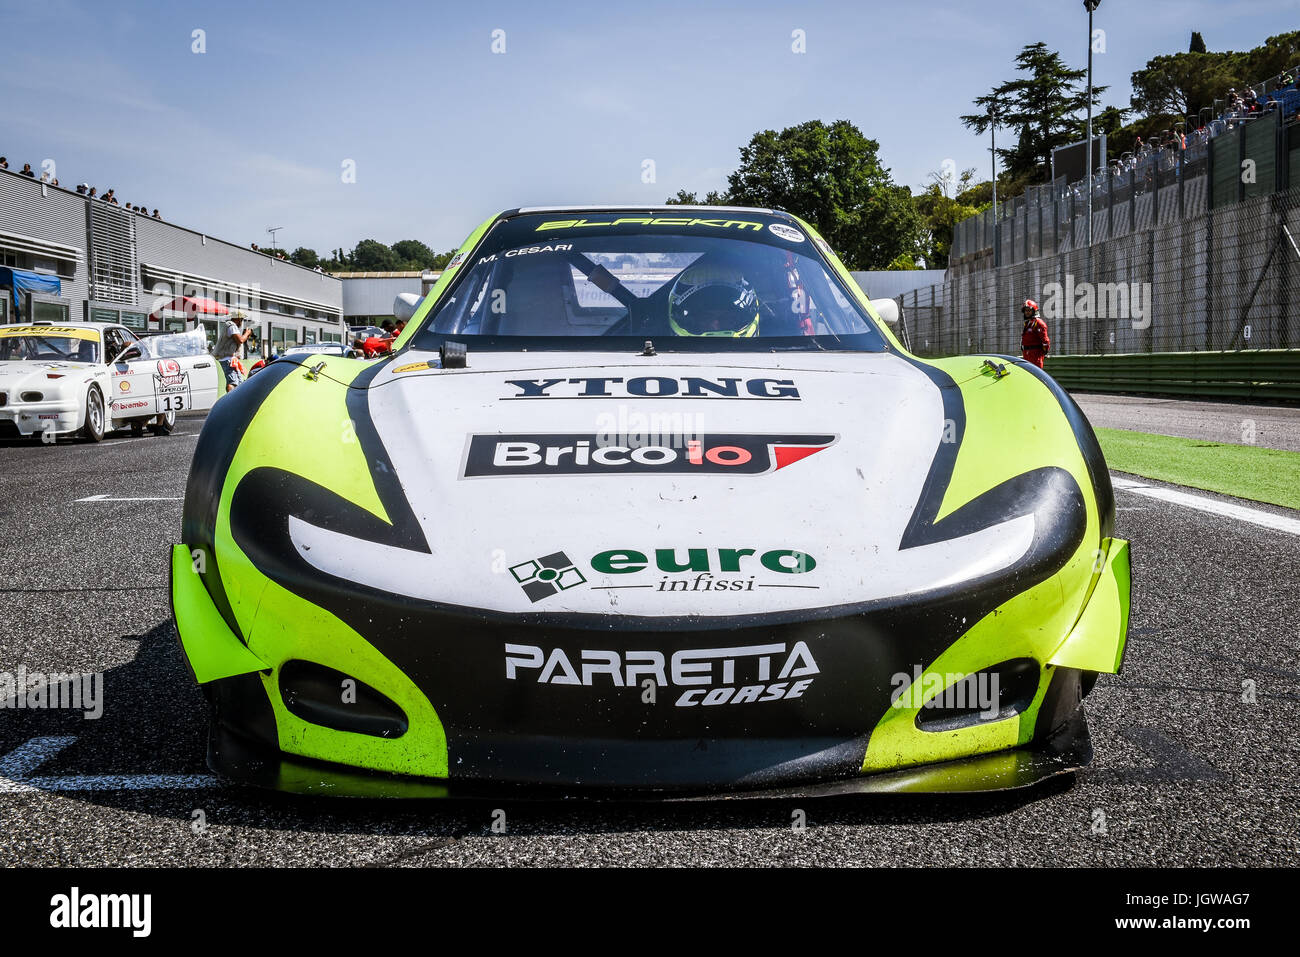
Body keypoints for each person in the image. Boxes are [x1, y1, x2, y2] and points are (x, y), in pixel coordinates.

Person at [213, 311, 253, 392]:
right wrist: (247, 333)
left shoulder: (230, 326)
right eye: (241, 320)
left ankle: (235, 398)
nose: (242, 322)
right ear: (237, 319)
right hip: (227, 359)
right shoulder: (231, 325)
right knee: (233, 381)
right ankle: (229, 399)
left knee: (239, 381)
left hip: (229, 358)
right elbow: (240, 340)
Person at [1020, 299, 1050, 369]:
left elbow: (1045, 341)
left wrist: (1043, 353)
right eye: (1025, 310)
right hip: (1026, 354)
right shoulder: (1027, 323)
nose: (1027, 312)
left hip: (1035, 356)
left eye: (1029, 310)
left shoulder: (1039, 323)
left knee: (1035, 375)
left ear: (1034, 311)